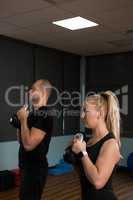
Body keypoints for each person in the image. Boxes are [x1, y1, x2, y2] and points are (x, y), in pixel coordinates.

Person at [72, 91, 121, 200]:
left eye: (85, 111)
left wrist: (82, 153)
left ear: (100, 113)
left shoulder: (111, 144)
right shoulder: (89, 141)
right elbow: (85, 172)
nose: (82, 115)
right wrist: (74, 152)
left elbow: (98, 182)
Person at [17, 79, 53, 200]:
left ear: (43, 92)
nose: (29, 92)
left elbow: (28, 145)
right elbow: (21, 141)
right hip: (26, 167)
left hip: (35, 169)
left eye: (33, 89)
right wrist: (20, 124)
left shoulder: (44, 115)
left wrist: (23, 121)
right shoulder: (32, 115)